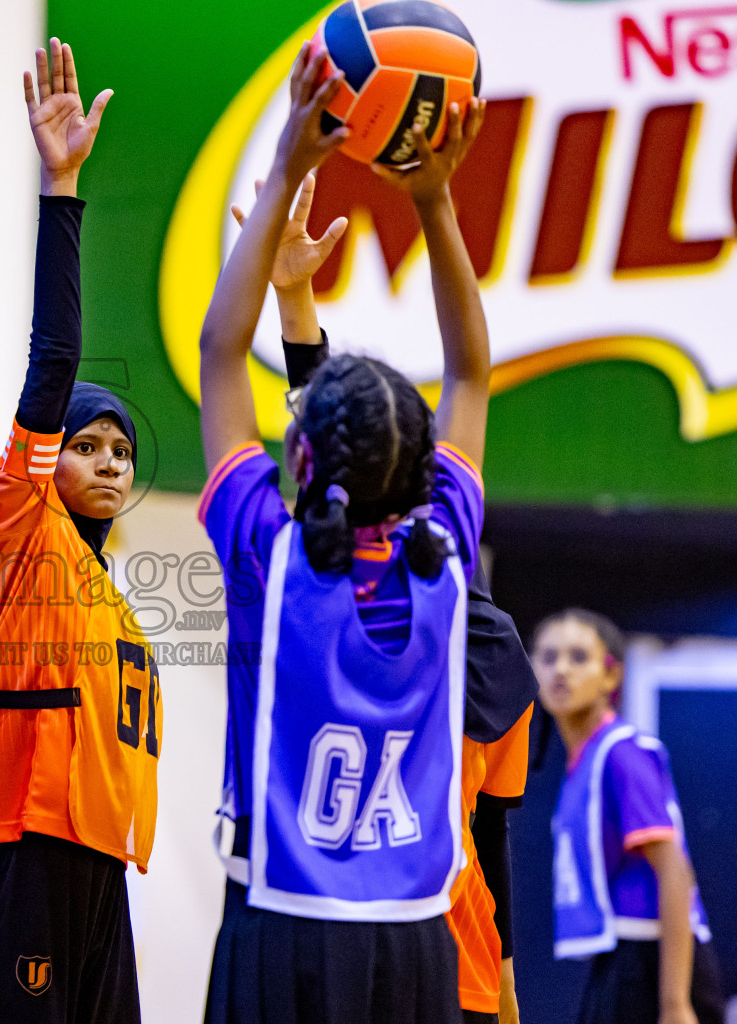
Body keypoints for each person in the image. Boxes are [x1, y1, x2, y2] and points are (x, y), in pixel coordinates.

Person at [197, 36, 492, 1023]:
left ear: (304, 462)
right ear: (422, 472)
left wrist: (288, 164)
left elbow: (215, 351)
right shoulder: (444, 552)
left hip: (283, 931)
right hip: (413, 943)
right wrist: (438, 201)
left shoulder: (269, 558)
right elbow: (474, 375)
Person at [244, 167, 537, 1023]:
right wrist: (438, 197)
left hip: (334, 936)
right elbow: (492, 835)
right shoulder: (478, 634)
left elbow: (329, 449)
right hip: (439, 953)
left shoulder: (304, 600)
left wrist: (291, 300)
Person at [0, 38, 160, 1024]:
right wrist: (61, 187)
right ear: (44, 458)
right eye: (88, 443)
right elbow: (53, 362)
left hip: (96, 870)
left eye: (123, 449)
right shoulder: (15, 524)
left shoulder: (105, 592)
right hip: (14, 861)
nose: (109, 460)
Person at [532, 609, 725, 1024]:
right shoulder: (583, 761)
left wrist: (675, 1004)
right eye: (548, 658)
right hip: (621, 959)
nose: (561, 670)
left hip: (655, 963)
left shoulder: (622, 753)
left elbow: (674, 870)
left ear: (611, 676)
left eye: (578, 657)